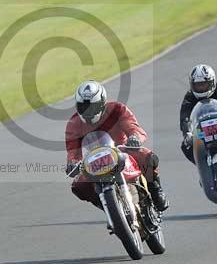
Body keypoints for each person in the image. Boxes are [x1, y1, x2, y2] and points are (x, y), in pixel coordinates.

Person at [65, 80, 169, 212]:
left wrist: (135, 138)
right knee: (79, 186)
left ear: (102, 103)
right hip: (95, 161)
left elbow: (132, 126)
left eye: (93, 106)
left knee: (148, 156)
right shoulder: (74, 123)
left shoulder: (117, 109)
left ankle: (155, 189)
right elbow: (72, 150)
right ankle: (106, 206)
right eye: (83, 106)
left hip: (123, 149)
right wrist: (73, 163)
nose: (88, 111)